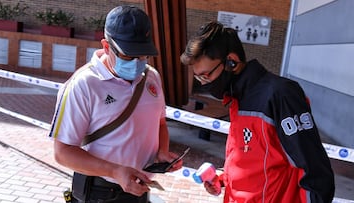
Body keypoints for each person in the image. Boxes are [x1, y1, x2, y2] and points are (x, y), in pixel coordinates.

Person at [180, 21, 335, 203]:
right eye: (198, 77)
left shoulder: (280, 94)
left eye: (206, 75)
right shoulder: (236, 99)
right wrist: (223, 180)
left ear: (231, 62)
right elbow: (253, 162)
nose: (203, 83)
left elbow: (317, 178)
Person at [49, 5, 182, 203]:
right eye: (128, 56)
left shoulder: (151, 77)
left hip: (140, 189)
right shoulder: (83, 84)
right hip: (100, 193)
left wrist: (161, 152)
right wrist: (115, 171)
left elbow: (160, 124)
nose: (137, 63)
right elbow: (63, 153)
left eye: (143, 55)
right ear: (106, 46)